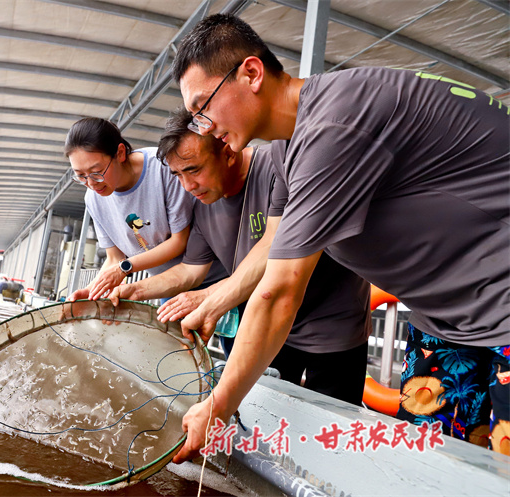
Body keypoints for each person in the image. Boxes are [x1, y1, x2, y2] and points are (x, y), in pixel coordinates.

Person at [171, 13, 509, 460]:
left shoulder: (336, 124)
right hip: (446, 317)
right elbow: (276, 245)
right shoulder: (288, 148)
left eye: (203, 107)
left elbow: (280, 290)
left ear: (251, 73)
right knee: (429, 465)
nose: (205, 126)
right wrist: (215, 298)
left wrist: (218, 405)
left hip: (500, 298)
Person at [108, 107, 371, 406]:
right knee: (265, 414)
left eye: (194, 170)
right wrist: (134, 290)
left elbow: (275, 251)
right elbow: (190, 271)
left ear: (229, 152)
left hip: (332, 324)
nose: (188, 186)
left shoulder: (280, 167)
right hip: (268, 323)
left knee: (333, 420)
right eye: (178, 175)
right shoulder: (203, 202)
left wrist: (209, 299)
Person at [64, 117, 225, 301]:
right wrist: (91, 292)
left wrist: (124, 268)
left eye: (97, 172)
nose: (91, 183)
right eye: (81, 176)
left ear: (120, 153)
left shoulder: (163, 167)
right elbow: (114, 259)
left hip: (210, 275)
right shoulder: (93, 199)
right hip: (166, 284)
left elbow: (179, 241)